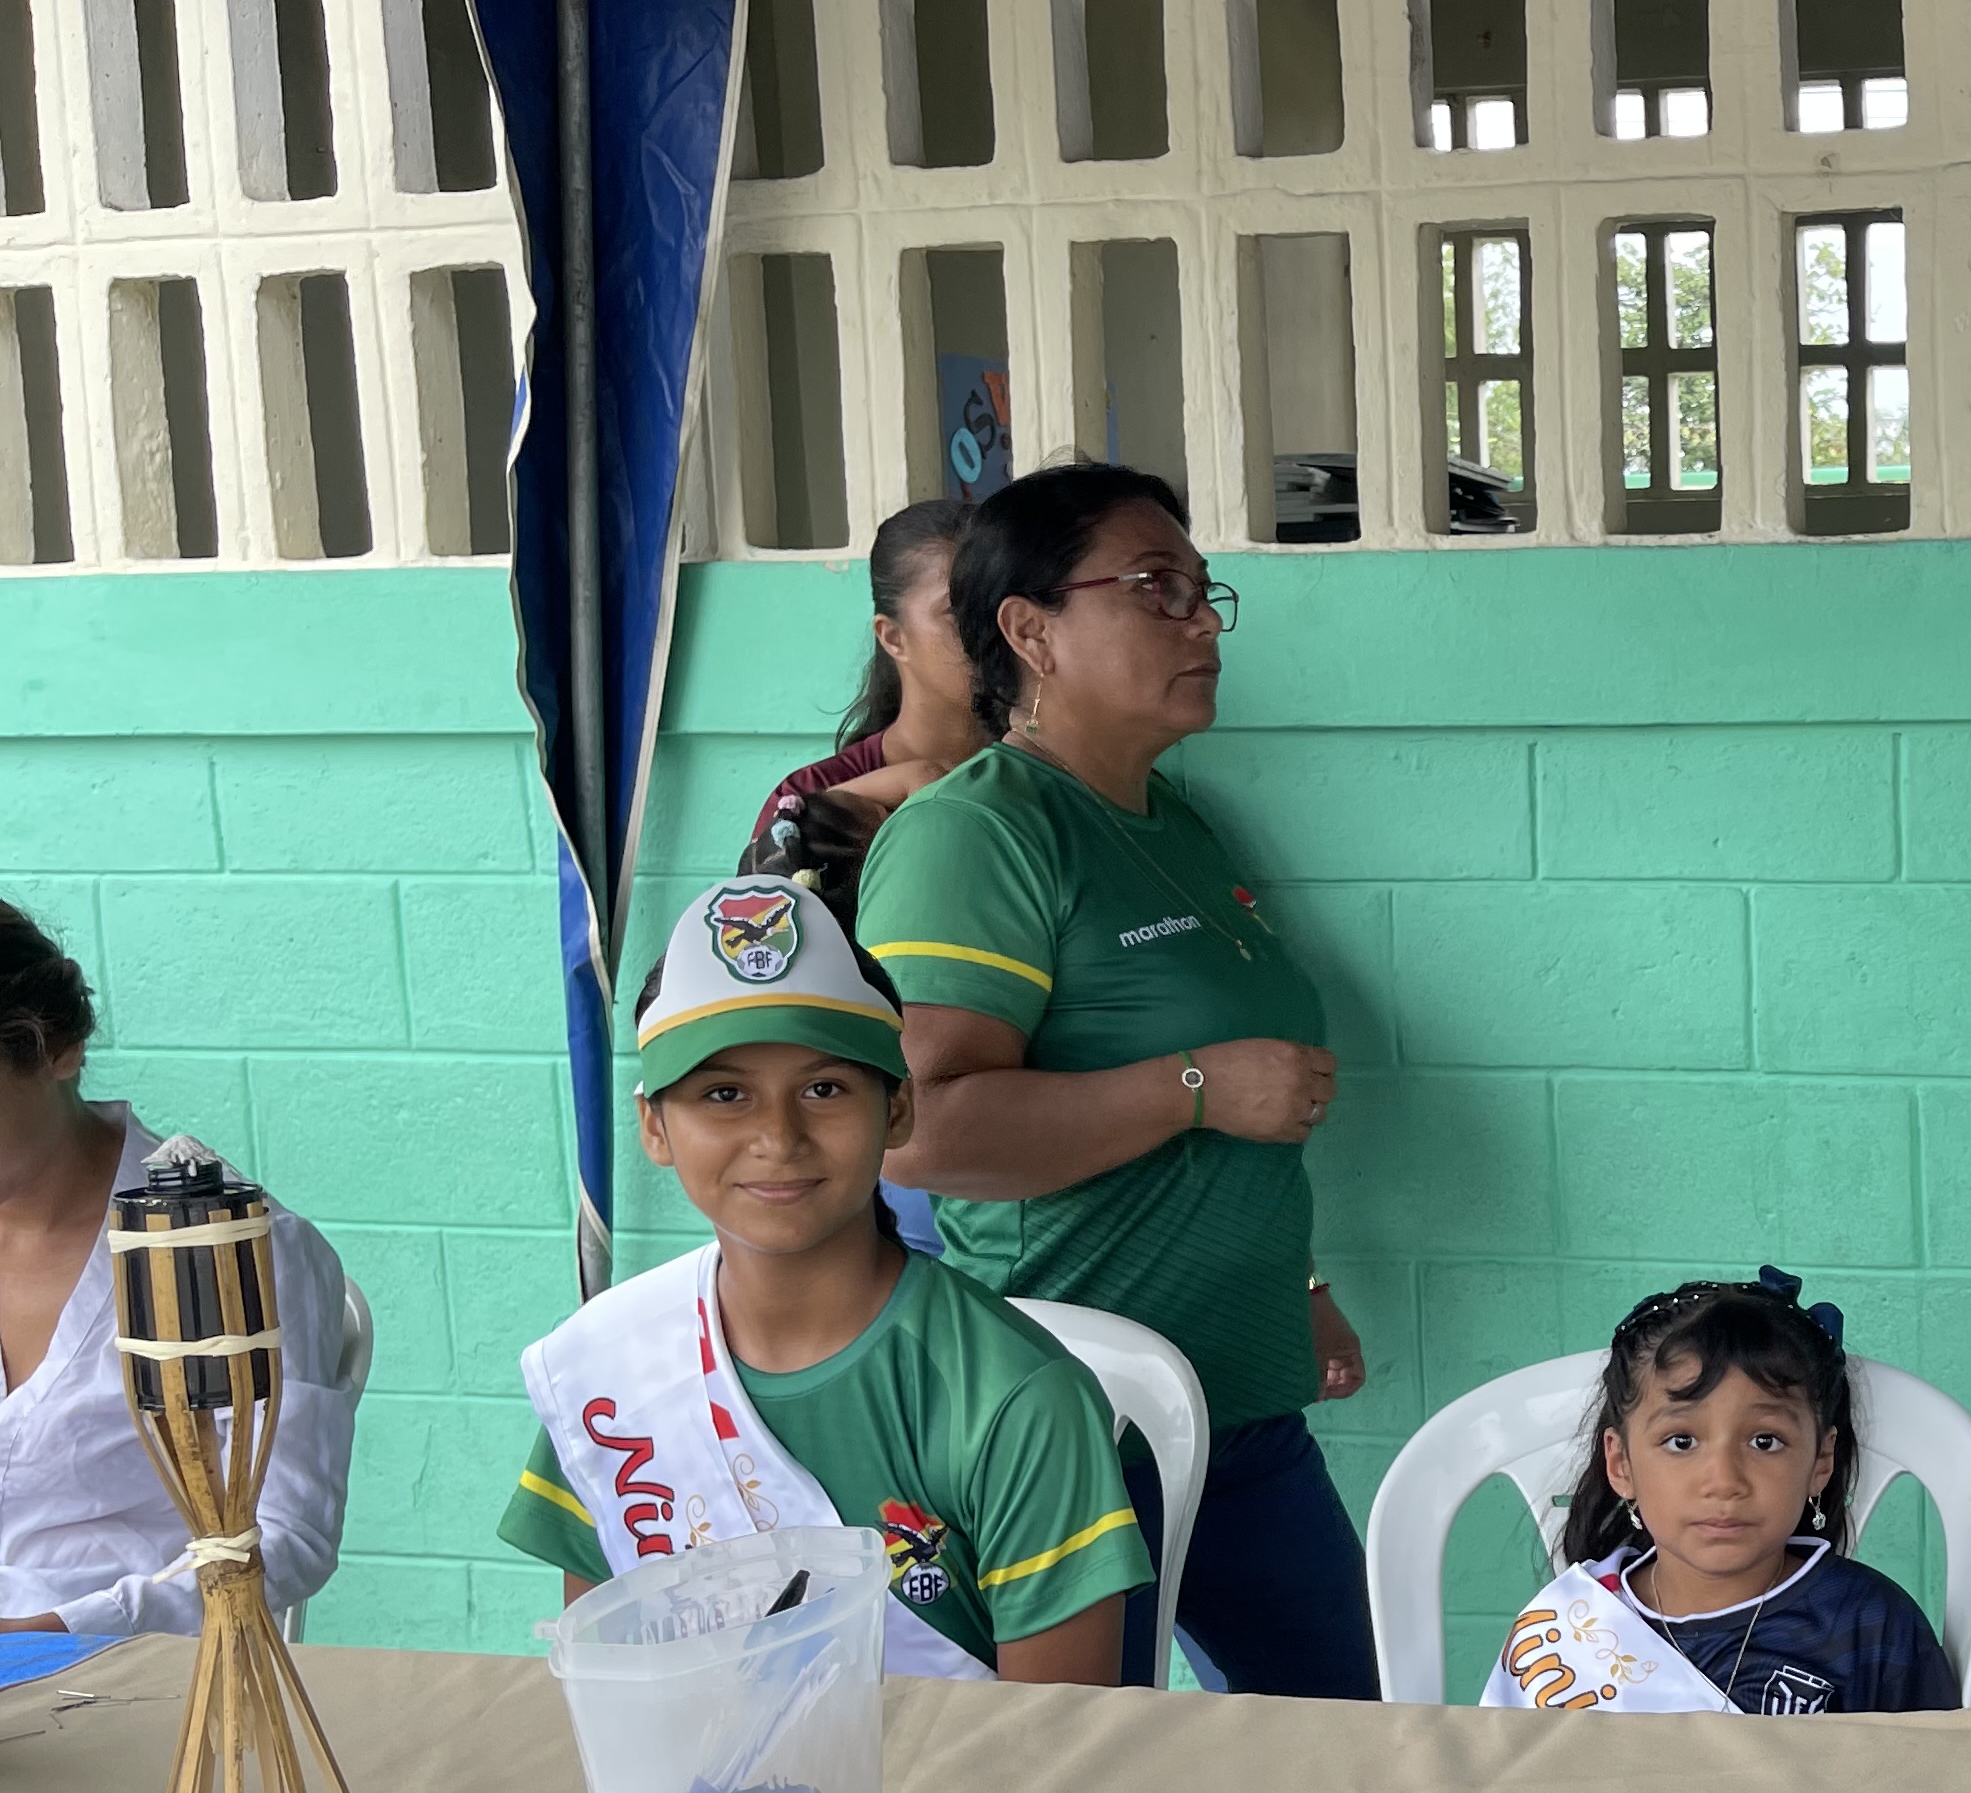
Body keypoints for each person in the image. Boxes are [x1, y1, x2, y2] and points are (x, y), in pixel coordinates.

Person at [854, 461, 1377, 1696]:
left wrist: (1299, 1281)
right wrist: (1192, 1086)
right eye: (1155, 589)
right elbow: (916, 1128)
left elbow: (1238, 1107)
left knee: (1352, 1741)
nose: (1202, 625)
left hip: (1241, 1405)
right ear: (1030, 631)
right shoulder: (980, 833)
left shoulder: (1177, 825)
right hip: (1077, 1419)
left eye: (1204, 593)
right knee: (1085, 1767)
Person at [497, 878, 1147, 1682]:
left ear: (898, 1109)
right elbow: (606, 1678)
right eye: (724, 1094)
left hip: (943, 1768)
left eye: (824, 1089)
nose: (778, 1137)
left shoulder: (1017, 1401)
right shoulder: (610, 1368)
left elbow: (1053, 1736)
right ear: (654, 1127)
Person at [0, 898, 357, 1642]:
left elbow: (287, 1534)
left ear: (58, 1048)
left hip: (127, 1671)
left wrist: (60, 1628)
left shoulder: (224, 1253)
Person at [1483, 1270, 1960, 1718]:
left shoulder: (1870, 1625)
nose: (1724, 1480)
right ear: (1621, 1464)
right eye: (1681, 1441)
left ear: (1820, 1460)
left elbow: (1939, 1775)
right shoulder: (1567, 1629)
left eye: (1765, 1441)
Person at [744, 498, 982, 930]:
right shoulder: (807, 799)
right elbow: (768, 948)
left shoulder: (1052, 769)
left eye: (1002, 601)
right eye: (956, 611)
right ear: (892, 637)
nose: (991, 627)